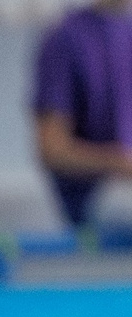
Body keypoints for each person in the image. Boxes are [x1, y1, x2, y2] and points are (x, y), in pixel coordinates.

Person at [32, 1, 132, 228]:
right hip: (94, 197)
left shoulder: (127, 32)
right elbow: (52, 150)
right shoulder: (66, 38)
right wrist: (119, 162)